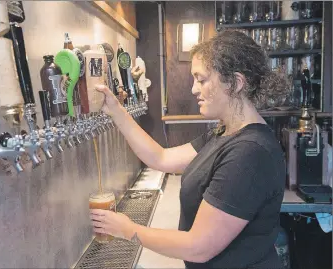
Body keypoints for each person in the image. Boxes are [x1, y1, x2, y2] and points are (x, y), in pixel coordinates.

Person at [90, 30, 289, 269]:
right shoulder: (224, 133)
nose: (194, 89)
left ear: (236, 83)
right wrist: (115, 110)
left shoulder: (249, 153)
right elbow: (161, 157)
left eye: (201, 79)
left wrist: (129, 230)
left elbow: (199, 246)